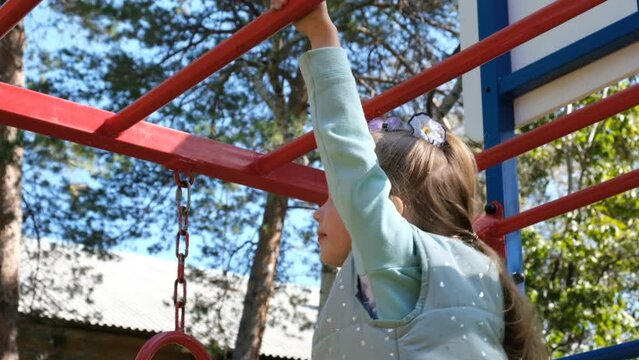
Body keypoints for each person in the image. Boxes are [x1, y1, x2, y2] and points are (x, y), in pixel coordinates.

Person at [271, 1, 548, 359]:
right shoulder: (480, 271)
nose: (316, 213)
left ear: (390, 211)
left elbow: (350, 161)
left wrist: (320, 32)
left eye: (334, 195)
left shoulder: (395, 257)